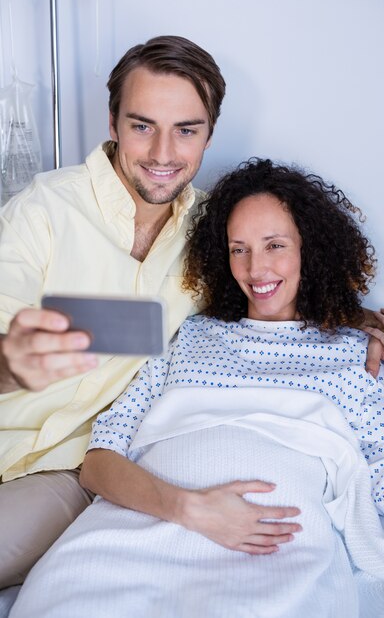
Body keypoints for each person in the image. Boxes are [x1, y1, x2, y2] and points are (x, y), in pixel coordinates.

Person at [10, 159, 384, 618]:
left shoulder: (359, 355)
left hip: (270, 542)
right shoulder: (190, 334)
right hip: (141, 526)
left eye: (275, 245)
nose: (255, 267)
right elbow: (98, 463)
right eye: (238, 249)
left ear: (312, 250)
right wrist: (189, 509)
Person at [0, 34, 226, 588]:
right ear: (112, 122)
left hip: (61, 468)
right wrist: (11, 363)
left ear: (209, 133)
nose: (163, 155)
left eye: (187, 131)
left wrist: (358, 322)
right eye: (142, 125)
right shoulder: (43, 208)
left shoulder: (215, 234)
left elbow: (282, 286)